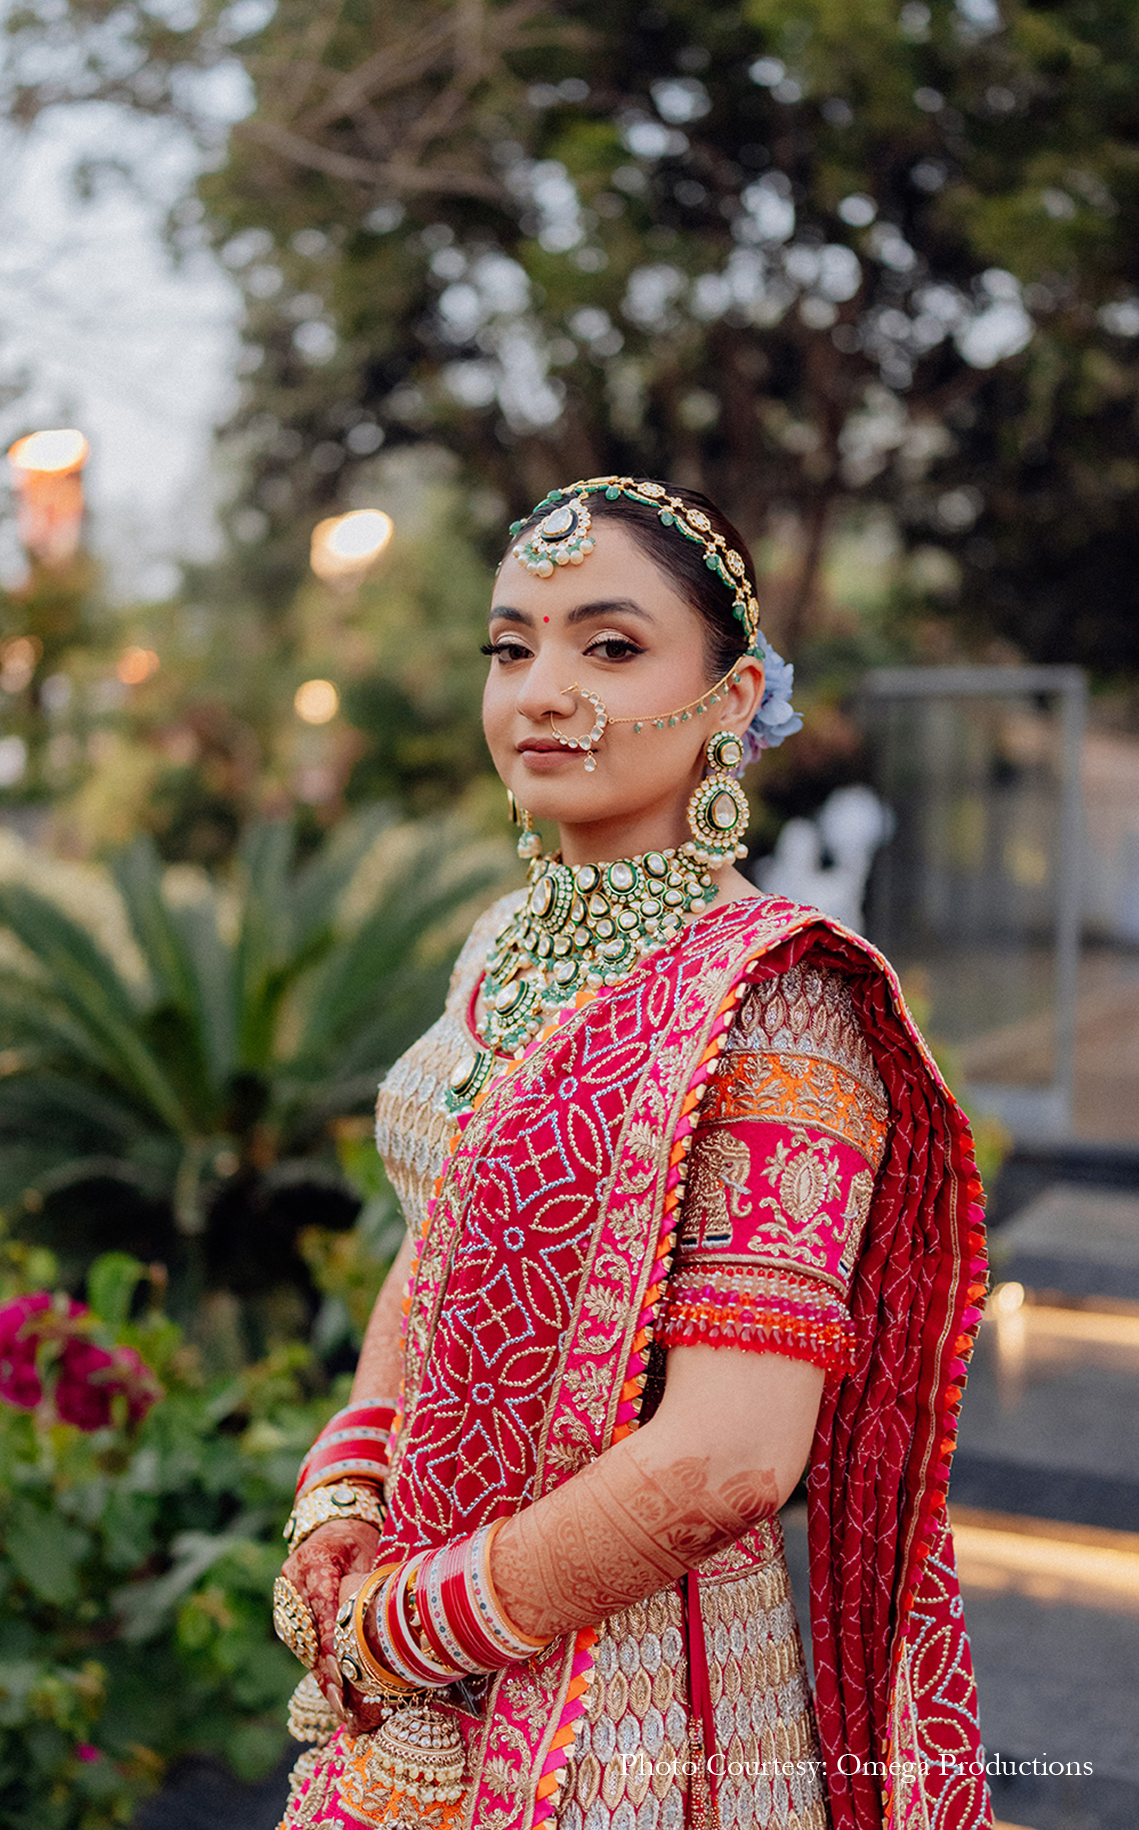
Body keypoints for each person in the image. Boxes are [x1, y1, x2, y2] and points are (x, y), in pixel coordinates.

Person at [271, 478, 991, 1830]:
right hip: (422, 1677)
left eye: (608, 646)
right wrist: (345, 1487)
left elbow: (731, 1454)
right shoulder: (501, 945)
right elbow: (435, 1236)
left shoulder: (778, 998)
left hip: (646, 1716)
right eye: (510, 645)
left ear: (730, 702)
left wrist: (416, 1620)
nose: (541, 688)